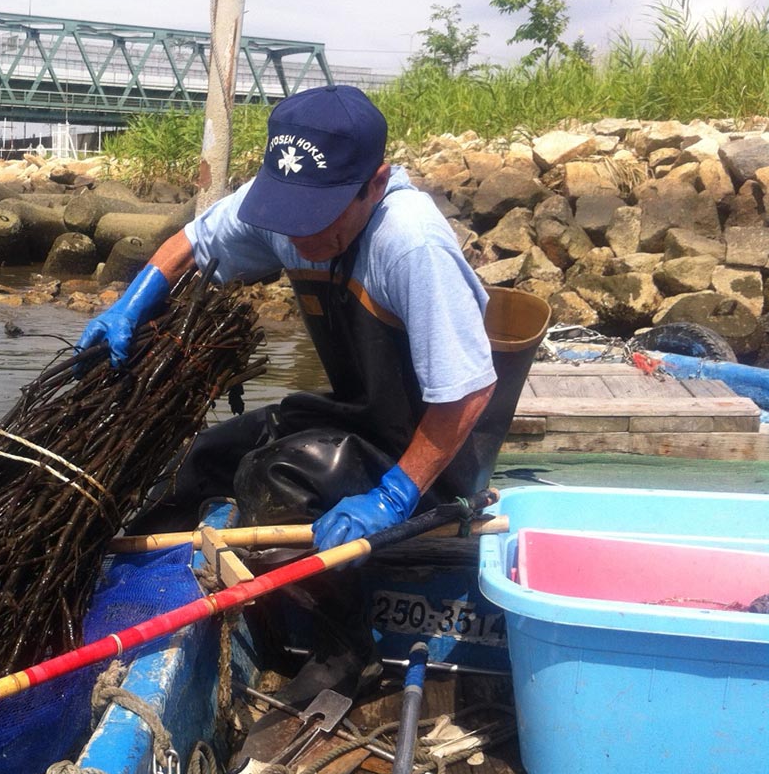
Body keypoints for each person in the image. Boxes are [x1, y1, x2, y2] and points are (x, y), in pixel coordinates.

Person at [77, 85, 547, 555]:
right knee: (205, 457)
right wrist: (129, 305)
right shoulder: (281, 208)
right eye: (289, 212)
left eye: (318, 216)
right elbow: (193, 242)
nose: (299, 233)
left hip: (435, 459)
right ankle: (141, 582)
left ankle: (322, 626)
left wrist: (394, 495)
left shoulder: (410, 244)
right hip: (356, 419)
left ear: (376, 184)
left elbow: (467, 390)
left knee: (277, 479)